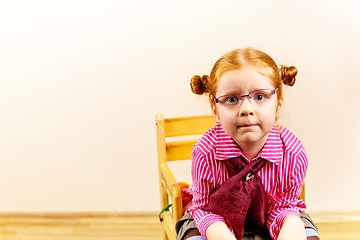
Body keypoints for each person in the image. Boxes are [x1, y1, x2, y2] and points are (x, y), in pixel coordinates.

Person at [176, 48, 319, 240]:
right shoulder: (206, 151)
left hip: (272, 213)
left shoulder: (292, 152)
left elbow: (285, 205)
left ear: (278, 104)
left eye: (259, 97)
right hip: (215, 212)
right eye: (232, 99)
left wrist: (290, 223)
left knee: (304, 231)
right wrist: (220, 233)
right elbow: (202, 208)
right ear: (215, 110)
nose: (246, 109)